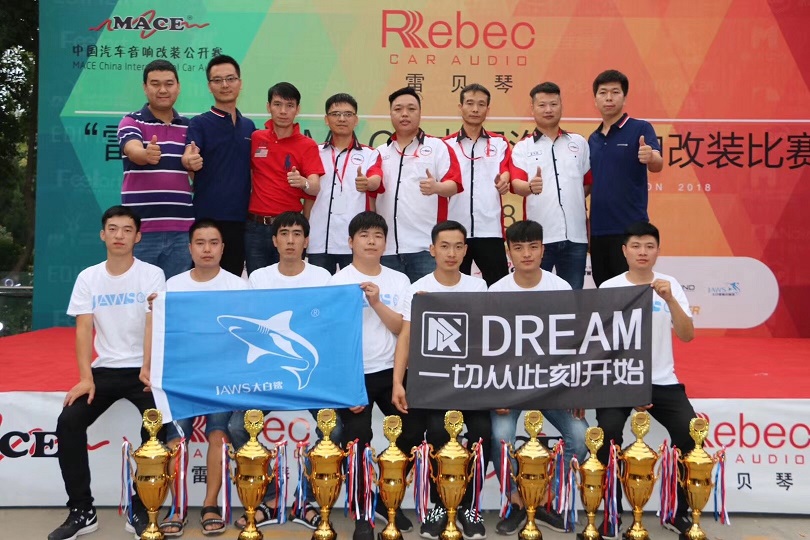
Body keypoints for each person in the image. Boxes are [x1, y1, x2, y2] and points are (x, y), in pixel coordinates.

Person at [48, 206, 166, 540]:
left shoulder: (152, 274)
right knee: (69, 421)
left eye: (127, 230)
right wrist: (86, 378)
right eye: (112, 229)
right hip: (104, 371)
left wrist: (147, 368)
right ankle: (82, 511)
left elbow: (152, 323)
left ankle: (141, 507)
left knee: (157, 426)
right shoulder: (89, 277)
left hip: (142, 371)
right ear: (103, 235)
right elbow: (84, 329)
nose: (119, 236)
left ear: (138, 237)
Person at [230, 212, 339, 531]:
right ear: (274, 240)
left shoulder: (322, 277)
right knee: (237, 426)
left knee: (335, 429)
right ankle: (272, 496)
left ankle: (305, 499)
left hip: (311, 376)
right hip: (268, 376)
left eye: (297, 234)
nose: (290, 240)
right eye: (284, 234)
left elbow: (331, 326)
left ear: (306, 241)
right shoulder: (258, 278)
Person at [140, 219, 247, 537]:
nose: (207, 249)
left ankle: (210, 505)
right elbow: (158, 329)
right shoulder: (173, 286)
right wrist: (149, 365)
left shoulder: (238, 286)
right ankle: (178, 506)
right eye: (200, 243)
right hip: (182, 376)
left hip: (223, 377)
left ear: (223, 248)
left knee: (219, 436)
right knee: (176, 439)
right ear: (190, 248)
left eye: (213, 243)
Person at [487, 220, 589, 535]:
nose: (527, 254)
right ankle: (517, 501)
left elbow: (573, 344)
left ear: (543, 250)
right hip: (510, 386)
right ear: (509, 252)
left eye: (533, 247)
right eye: (519, 248)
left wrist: (576, 390)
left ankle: (546, 499)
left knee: (581, 437)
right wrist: (496, 394)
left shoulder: (560, 289)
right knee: (500, 437)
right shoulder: (496, 291)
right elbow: (487, 350)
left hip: (553, 386)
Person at [596, 221, 696, 539]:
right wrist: (630, 385)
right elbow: (600, 344)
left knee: (690, 436)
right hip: (619, 379)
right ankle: (612, 512)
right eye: (636, 246)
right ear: (624, 250)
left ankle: (677, 512)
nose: (642, 252)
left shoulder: (669, 284)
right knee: (607, 436)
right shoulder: (609, 288)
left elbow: (687, 335)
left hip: (662, 379)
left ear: (657, 251)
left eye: (649, 246)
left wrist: (670, 300)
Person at [391, 221, 490, 540]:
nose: (451, 253)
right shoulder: (417, 289)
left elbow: (489, 339)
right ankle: (438, 505)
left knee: (483, 435)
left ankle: (469, 506)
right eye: (444, 246)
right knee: (436, 433)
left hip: (471, 384)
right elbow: (405, 337)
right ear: (432, 250)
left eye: (458, 246)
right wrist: (398, 383)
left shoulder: (478, 288)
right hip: (433, 384)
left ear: (466, 250)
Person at [328, 211, 416, 540]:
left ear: (385, 243)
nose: (371, 241)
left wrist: (376, 302)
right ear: (350, 241)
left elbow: (401, 329)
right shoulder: (337, 282)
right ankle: (363, 515)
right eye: (364, 235)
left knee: (413, 433)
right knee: (358, 442)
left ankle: (387, 500)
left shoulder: (399, 280)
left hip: (392, 372)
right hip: (355, 377)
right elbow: (332, 340)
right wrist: (345, 388)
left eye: (378, 236)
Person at [366, 87, 463, 283]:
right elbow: (372, 199)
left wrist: (436, 187)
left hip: (426, 247)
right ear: (390, 113)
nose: (404, 114)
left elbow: (454, 184)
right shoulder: (380, 152)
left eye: (411, 109)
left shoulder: (438, 147)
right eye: (398, 109)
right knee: (388, 301)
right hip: (388, 249)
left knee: (425, 301)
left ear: (420, 113)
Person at [510, 82, 591, 290]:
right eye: (542, 105)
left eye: (553, 104)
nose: (548, 110)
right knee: (536, 296)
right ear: (532, 109)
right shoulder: (522, 147)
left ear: (561, 106)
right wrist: (530, 187)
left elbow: (587, 184)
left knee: (572, 297)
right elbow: (516, 184)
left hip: (576, 237)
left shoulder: (578, 143)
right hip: (538, 239)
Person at [181, 55, 256, 277]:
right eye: (217, 80)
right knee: (203, 282)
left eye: (230, 79)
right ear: (209, 86)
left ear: (240, 83)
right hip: (208, 220)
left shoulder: (249, 126)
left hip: (241, 220)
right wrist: (189, 161)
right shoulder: (199, 123)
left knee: (232, 281)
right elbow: (189, 155)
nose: (225, 85)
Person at [118, 59, 193, 279]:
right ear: (145, 87)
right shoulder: (132, 121)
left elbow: (197, 170)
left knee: (174, 294)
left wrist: (193, 164)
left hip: (182, 230)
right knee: (139, 294)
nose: (162, 90)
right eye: (155, 84)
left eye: (169, 84)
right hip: (141, 231)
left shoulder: (190, 126)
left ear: (178, 87)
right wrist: (144, 154)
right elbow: (132, 149)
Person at [588, 69, 663, 287]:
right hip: (599, 231)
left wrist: (650, 156)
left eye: (615, 92)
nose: (609, 98)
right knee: (604, 293)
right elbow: (588, 184)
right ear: (595, 99)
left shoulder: (640, 128)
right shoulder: (592, 139)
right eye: (603, 93)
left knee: (632, 295)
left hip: (631, 231)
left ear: (624, 97)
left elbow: (657, 163)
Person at [245, 82, 325, 275]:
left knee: (289, 283)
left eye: (289, 106)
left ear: (298, 109)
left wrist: (303, 182)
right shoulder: (256, 138)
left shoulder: (307, 145)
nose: (283, 111)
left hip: (289, 228)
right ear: (268, 107)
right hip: (255, 227)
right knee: (257, 282)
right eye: (277, 104)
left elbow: (315, 186)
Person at [444, 83, 511, 286]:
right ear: (460, 107)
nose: (475, 109)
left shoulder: (500, 142)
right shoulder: (445, 145)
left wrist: (505, 180)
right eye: (470, 103)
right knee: (454, 290)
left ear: (487, 109)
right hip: (454, 231)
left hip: (490, 230)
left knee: (499, 289)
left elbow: (506, 170)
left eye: (481, 104)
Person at [308, 94, 380, 274]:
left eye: (348, 114)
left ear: (356, 120)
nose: (342, 119)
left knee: (356, 289)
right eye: (335, 114)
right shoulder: (314, 152)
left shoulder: (370, 154)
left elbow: (376, 180)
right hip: (319, 240)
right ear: (326, 119)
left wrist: (368, 183)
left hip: (354, 241)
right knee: (321, 290)